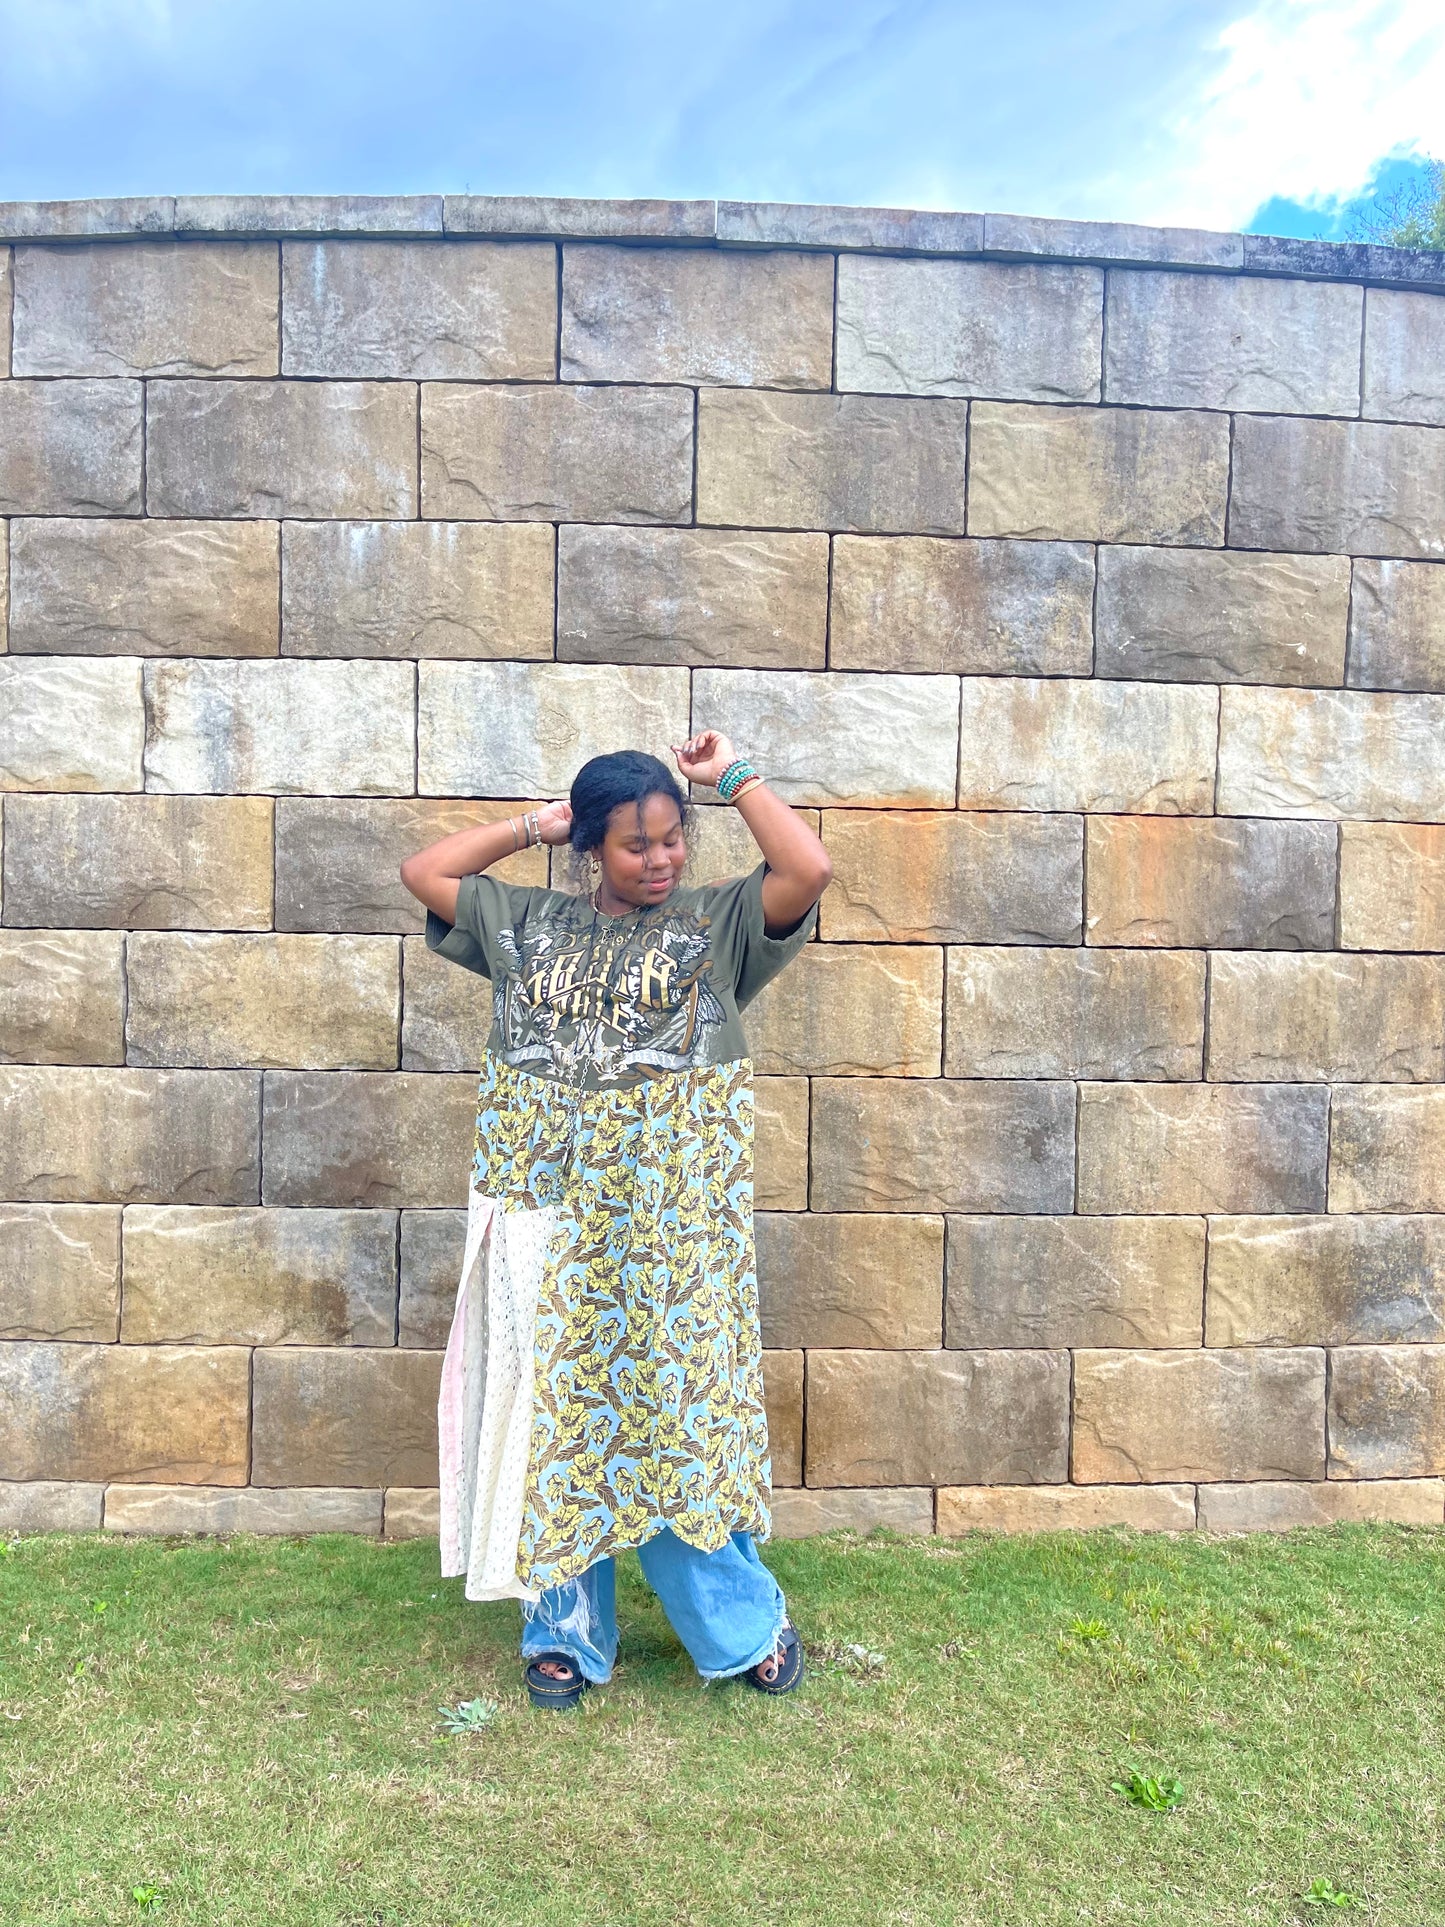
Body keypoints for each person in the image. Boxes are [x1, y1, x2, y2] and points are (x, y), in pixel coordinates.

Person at [399, 731, 832, 1708]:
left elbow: (806, 869)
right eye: (636, 845)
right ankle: (564, 1630)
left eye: (672, 838)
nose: (661, 858)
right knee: (551, 1420)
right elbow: (424, 872)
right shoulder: (526, 925)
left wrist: (731, 778)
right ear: (593, 847)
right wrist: (534, 827)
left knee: (677, 1418)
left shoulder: (714, 926)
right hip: (544, 1215)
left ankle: (742, 1623)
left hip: (672, 1230)